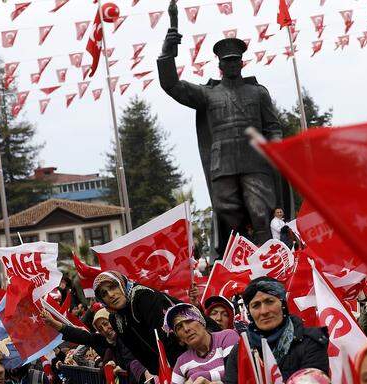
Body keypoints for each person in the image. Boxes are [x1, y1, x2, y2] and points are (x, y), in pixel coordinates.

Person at [158, 28, 283, 246]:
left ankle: (268, 258)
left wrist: (277, 148)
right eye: (228, 61)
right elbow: (172, 85)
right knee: (229, 216)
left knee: (260, 212)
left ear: (242, 62)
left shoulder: (258, 92)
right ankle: (241, 259)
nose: (232, 64)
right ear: (220, 65)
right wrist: (167, 53)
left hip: (255, 160)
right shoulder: (207, 93)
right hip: (222, 164)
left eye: (236, 60)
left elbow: (273, 127)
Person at [92, 271, 220, 374]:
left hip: (204, 351)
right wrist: (159, 373)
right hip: (170, 368)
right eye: (104, 293)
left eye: (113, 287)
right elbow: (139, 353)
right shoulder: (115, 319)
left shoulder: (143, 297)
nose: (110, 294)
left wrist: (180, 372)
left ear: (122, 283)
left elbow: (168, 338)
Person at [223, 277, 330, 383]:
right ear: (249, 312)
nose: (264, 311)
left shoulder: (311, 342)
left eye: (269, 301)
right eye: (256, 305)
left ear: (283, 304)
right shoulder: (241, 351)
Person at [41, 307, 152, 384]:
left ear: (113, 319)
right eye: (100, 329)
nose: (105, 330)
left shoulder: (129, 334)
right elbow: (83, 337)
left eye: (105, 323)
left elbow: (133, 361)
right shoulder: (109, 341)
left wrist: (143, 372)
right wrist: (53, 323)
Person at [165, 303, 239, 383]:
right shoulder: (181, 362)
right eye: (179, 327)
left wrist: (197, 377)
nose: (186, 329)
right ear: (180, 338)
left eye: (189, 321)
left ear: (202, 323)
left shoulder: (226, 337)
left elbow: (235, 373)